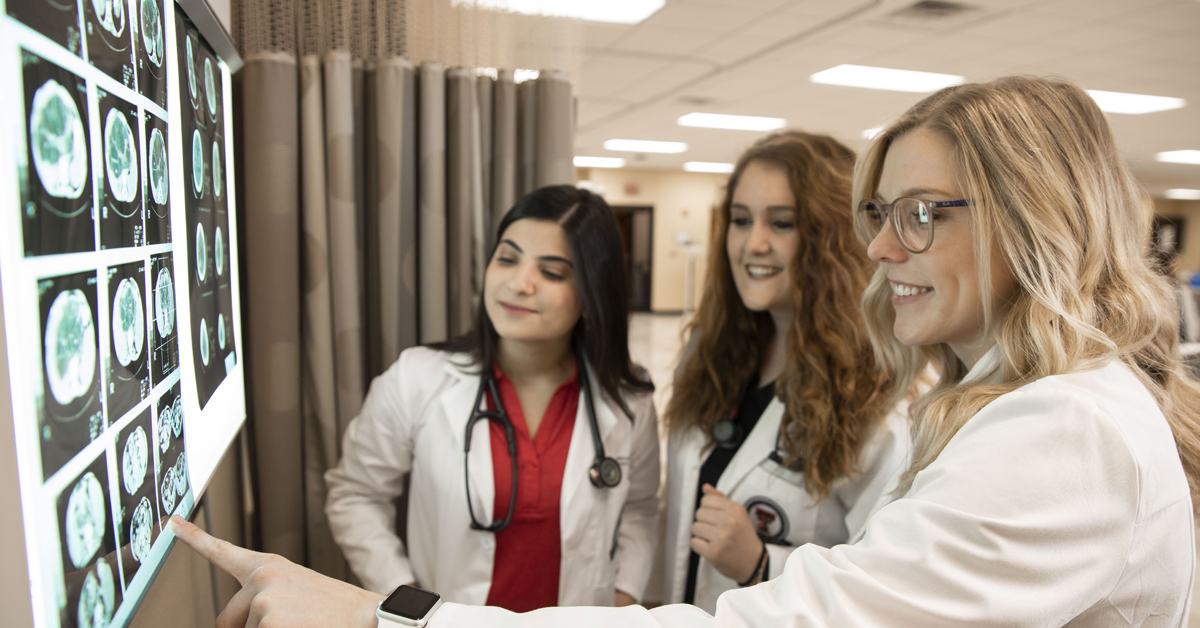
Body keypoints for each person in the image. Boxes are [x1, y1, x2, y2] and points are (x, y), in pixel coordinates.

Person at [173, 75, 1200, 627]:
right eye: (880, 212)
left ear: (1037, 215)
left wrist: (383, 618)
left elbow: (803, 608)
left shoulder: (1058, 428)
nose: (882, 243)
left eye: (923, 213)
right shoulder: (1004, 405)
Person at [321, 185, 660, 611]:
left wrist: (623, 597)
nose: (519, 283)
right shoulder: (419, 378)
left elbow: (641, 510)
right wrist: (406, 598)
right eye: (507, 258)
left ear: (592, 296)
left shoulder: (628, 399)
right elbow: (355, 494)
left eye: (552, 272)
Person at [657, 131, 911, 612]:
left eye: (782, 223)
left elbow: (882, 586)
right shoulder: (711, 353)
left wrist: (760, 565)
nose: (753, 243)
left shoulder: (881, 393)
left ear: (833, 237)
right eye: (739, 220)